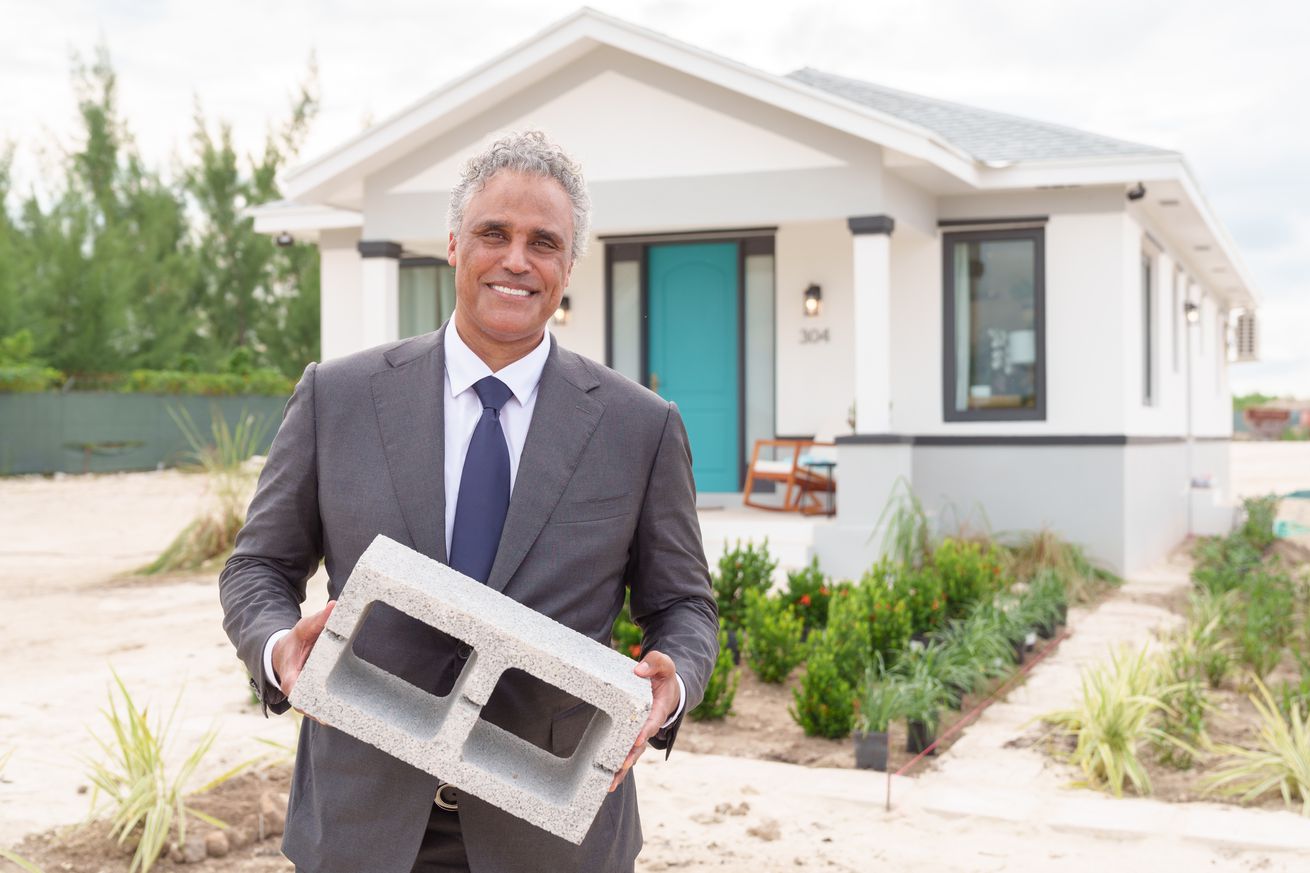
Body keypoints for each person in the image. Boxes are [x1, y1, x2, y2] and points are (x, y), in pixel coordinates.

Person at [219, 130, 719, 873]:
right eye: (494, 232)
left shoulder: (639, 426)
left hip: (551, 831)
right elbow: (258, 565)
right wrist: (276, 646)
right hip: (362, 821)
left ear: (568, 266)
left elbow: (684, 605)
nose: (517, 259)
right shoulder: (339, 396)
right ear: (454, 244)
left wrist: (671, 679)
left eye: (543, 242)